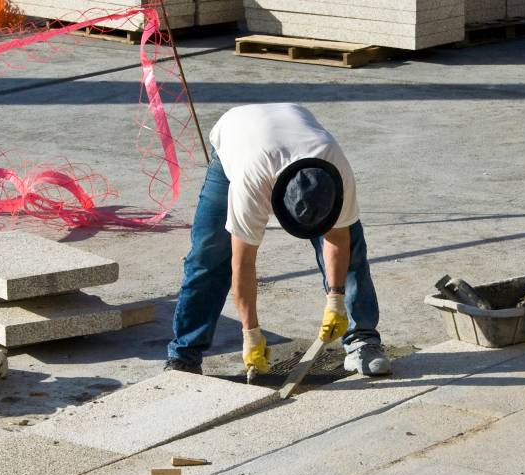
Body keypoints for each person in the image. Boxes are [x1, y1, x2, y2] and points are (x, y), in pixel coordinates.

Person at [165, 103, 391, 378]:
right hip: (236, 134)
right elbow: (243, 263)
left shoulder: (336, 167)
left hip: (291, 122)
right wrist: (251, 333)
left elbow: (338, 237)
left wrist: (336, 299)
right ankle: (185, 355)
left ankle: (362, 340)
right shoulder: (251, 183)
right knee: (209, 253)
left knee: (353, 248)